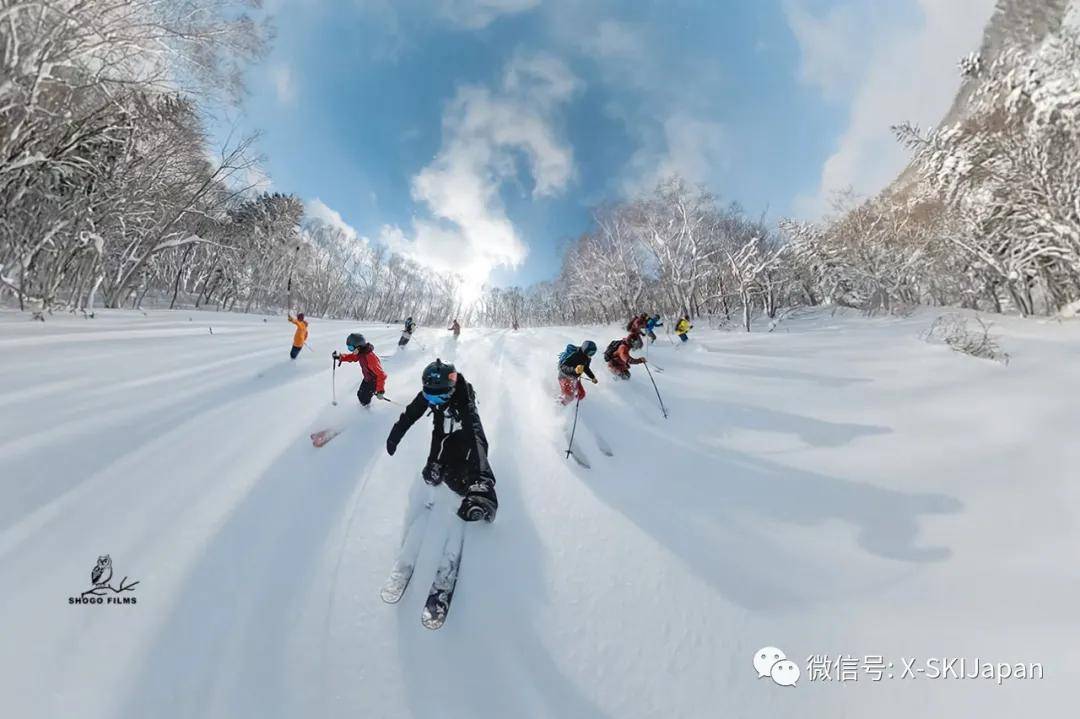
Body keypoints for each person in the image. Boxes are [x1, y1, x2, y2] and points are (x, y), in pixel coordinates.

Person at [385, 360, 497, 522]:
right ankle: (462, 484)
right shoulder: (430, 394)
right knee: (441, 473)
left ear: (451, 390)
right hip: (444, 428)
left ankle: (478, 493)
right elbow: (410, 415)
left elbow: (476, 437)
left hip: (462, 428)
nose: (434, 402)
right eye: (429, 396)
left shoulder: (463, 399)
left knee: (466, 455)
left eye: (439, 398)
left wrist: (482, 482)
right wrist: (394, 437)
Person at [332, 333, 387, 407]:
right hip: (367, 378)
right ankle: (366, 404)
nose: (351, 350)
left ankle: (367, 410)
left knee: (364, 399)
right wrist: (340, 357)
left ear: (359, 346)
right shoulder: (361, 352)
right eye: (349, 348)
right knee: (360, 395)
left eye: (351, 348)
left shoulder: (370, 357)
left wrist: (380, 391)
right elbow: (353, 357)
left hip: (373, 381)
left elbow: (381, 375)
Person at [557, 340, 598, 405]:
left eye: (593, 353)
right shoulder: (574, 354)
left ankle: (568, 401)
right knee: (569, 396)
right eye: (590, 353)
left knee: (581, 394)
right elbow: (562, 367)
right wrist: (574, 370)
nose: (591, 355)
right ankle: (558, 404)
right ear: (585, 350)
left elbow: (586, 368)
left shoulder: (587, 357)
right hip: (564, 377)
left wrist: (592, 377)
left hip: (574, 378)